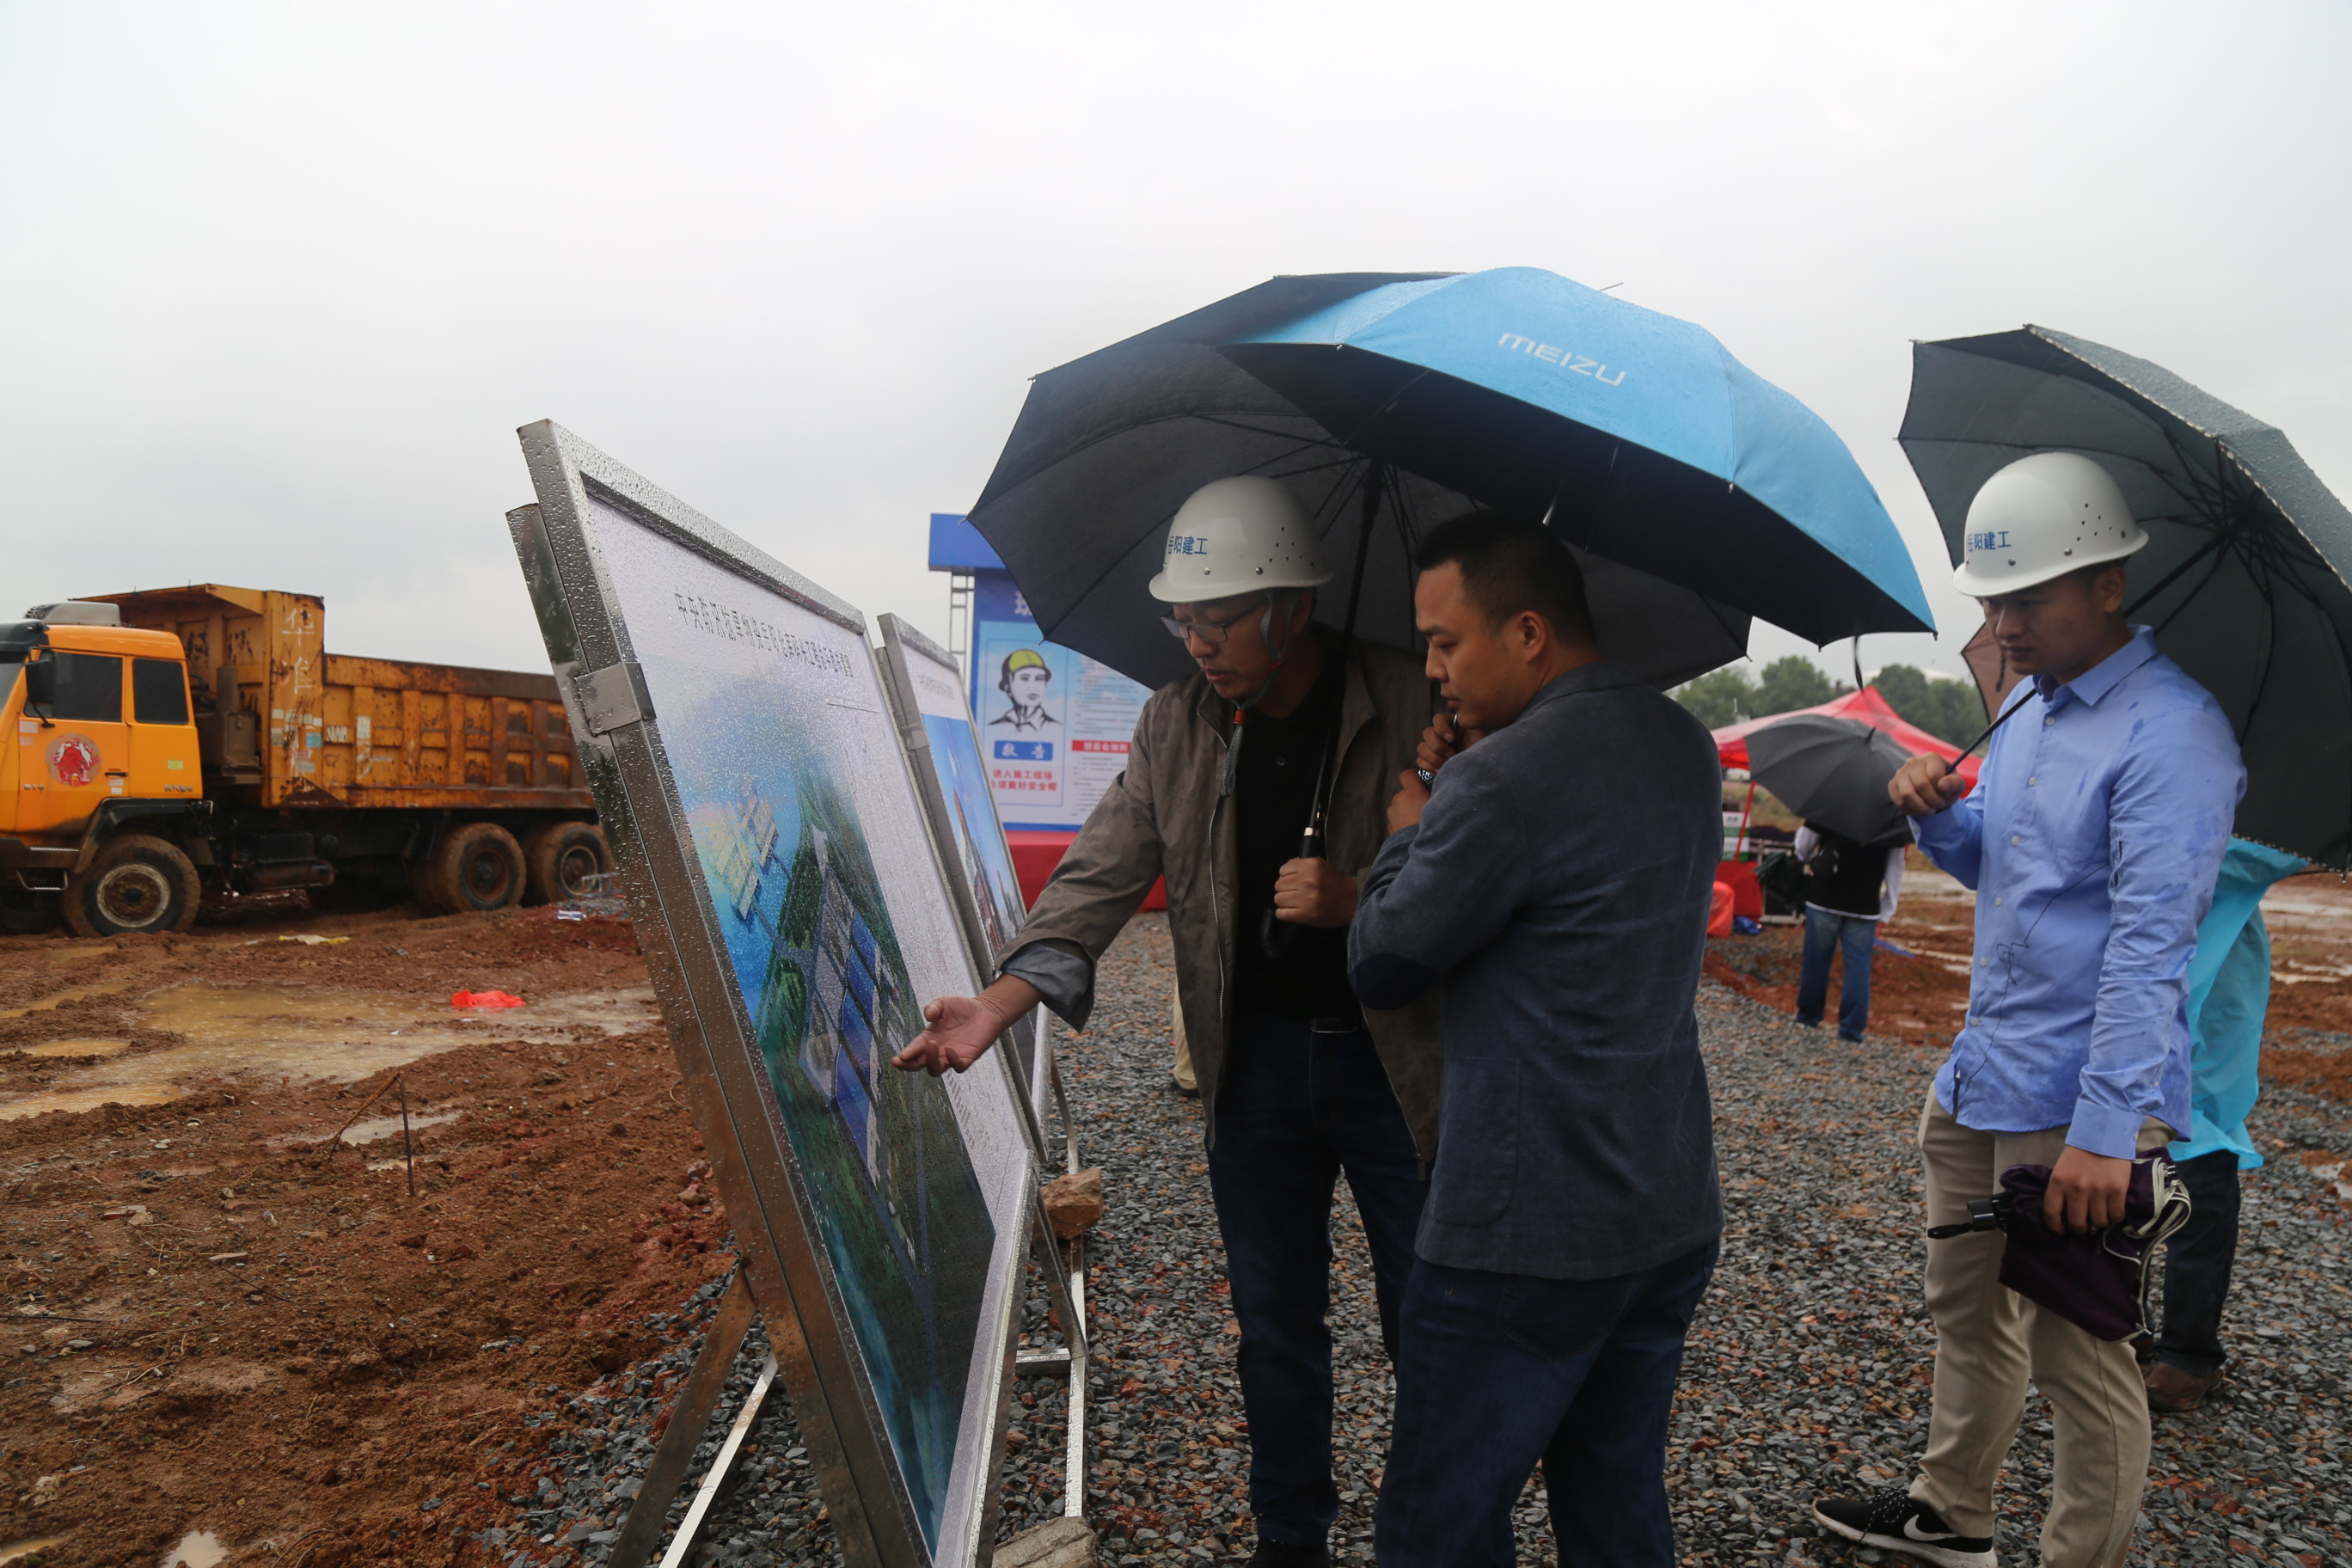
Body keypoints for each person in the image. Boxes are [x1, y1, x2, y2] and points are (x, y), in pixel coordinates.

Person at [893, 475, 1439, 1568]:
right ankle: (1291, 1539)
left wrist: (1361, 896)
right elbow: (1100, 871)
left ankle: (1432, 1537)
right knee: (1274, 1327)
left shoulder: (1413, 698)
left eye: (1219, 618)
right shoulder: (1178, 722)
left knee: (1430, 1319)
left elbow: (1482, 870)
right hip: (1256, 1067)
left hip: (1400, 1065)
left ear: (1293, 604)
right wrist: (996, 1007)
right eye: (1181, 620)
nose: (1196, 643)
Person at [1814, 452, 2245, 1568]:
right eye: (1992, 599)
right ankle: (1952, 1512)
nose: (2004, 624)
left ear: (2109, 585)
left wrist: (2106, 1135)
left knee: (2079, 1353)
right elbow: (2005, 872)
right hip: (1984, 1071)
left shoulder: (2173, 733)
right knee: (1964, 1306)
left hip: (2076, 1100)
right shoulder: (2025, 709)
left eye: (2030, 597)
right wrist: (1937, 817)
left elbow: (2153, 950)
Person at [1348, 512, 1724, 1568]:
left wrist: (1410, 831)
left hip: (1523, 1231)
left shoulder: (1501, 780)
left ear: (1526, 633)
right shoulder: (1685, 744)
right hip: (1664, 1204)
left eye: (1444, 642)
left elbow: (1384, 962)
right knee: (1613, 1502)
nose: (1431, 670)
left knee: (1436, 1525)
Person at [2145, 837, 2306, 1412]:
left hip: (2209, 1002)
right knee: (2117, 1189)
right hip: (2129, 994)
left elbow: (2276, 849)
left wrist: (2159, 845)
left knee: (2200, 1174)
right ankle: (2126, 1335)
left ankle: (2188, 1354)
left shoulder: (2224, 817)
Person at [1792, 819, 1908, 1040]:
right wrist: (1888, 906)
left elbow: (1804, 845)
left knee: (1816, 962)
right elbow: (1896, 866)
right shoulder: (1891, 818)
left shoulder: (1829, 806)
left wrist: (1806, 858)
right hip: (1864, 905)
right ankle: (1851, 1030)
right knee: (1858, 969)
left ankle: (1808, 1017)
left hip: (1823, 898)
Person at [990, 646, 1061, 737]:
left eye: (1040, 679)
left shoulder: (1055, 728)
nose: (1033, 687)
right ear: (1008, 688)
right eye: (1025, 678)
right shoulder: (994, 728)